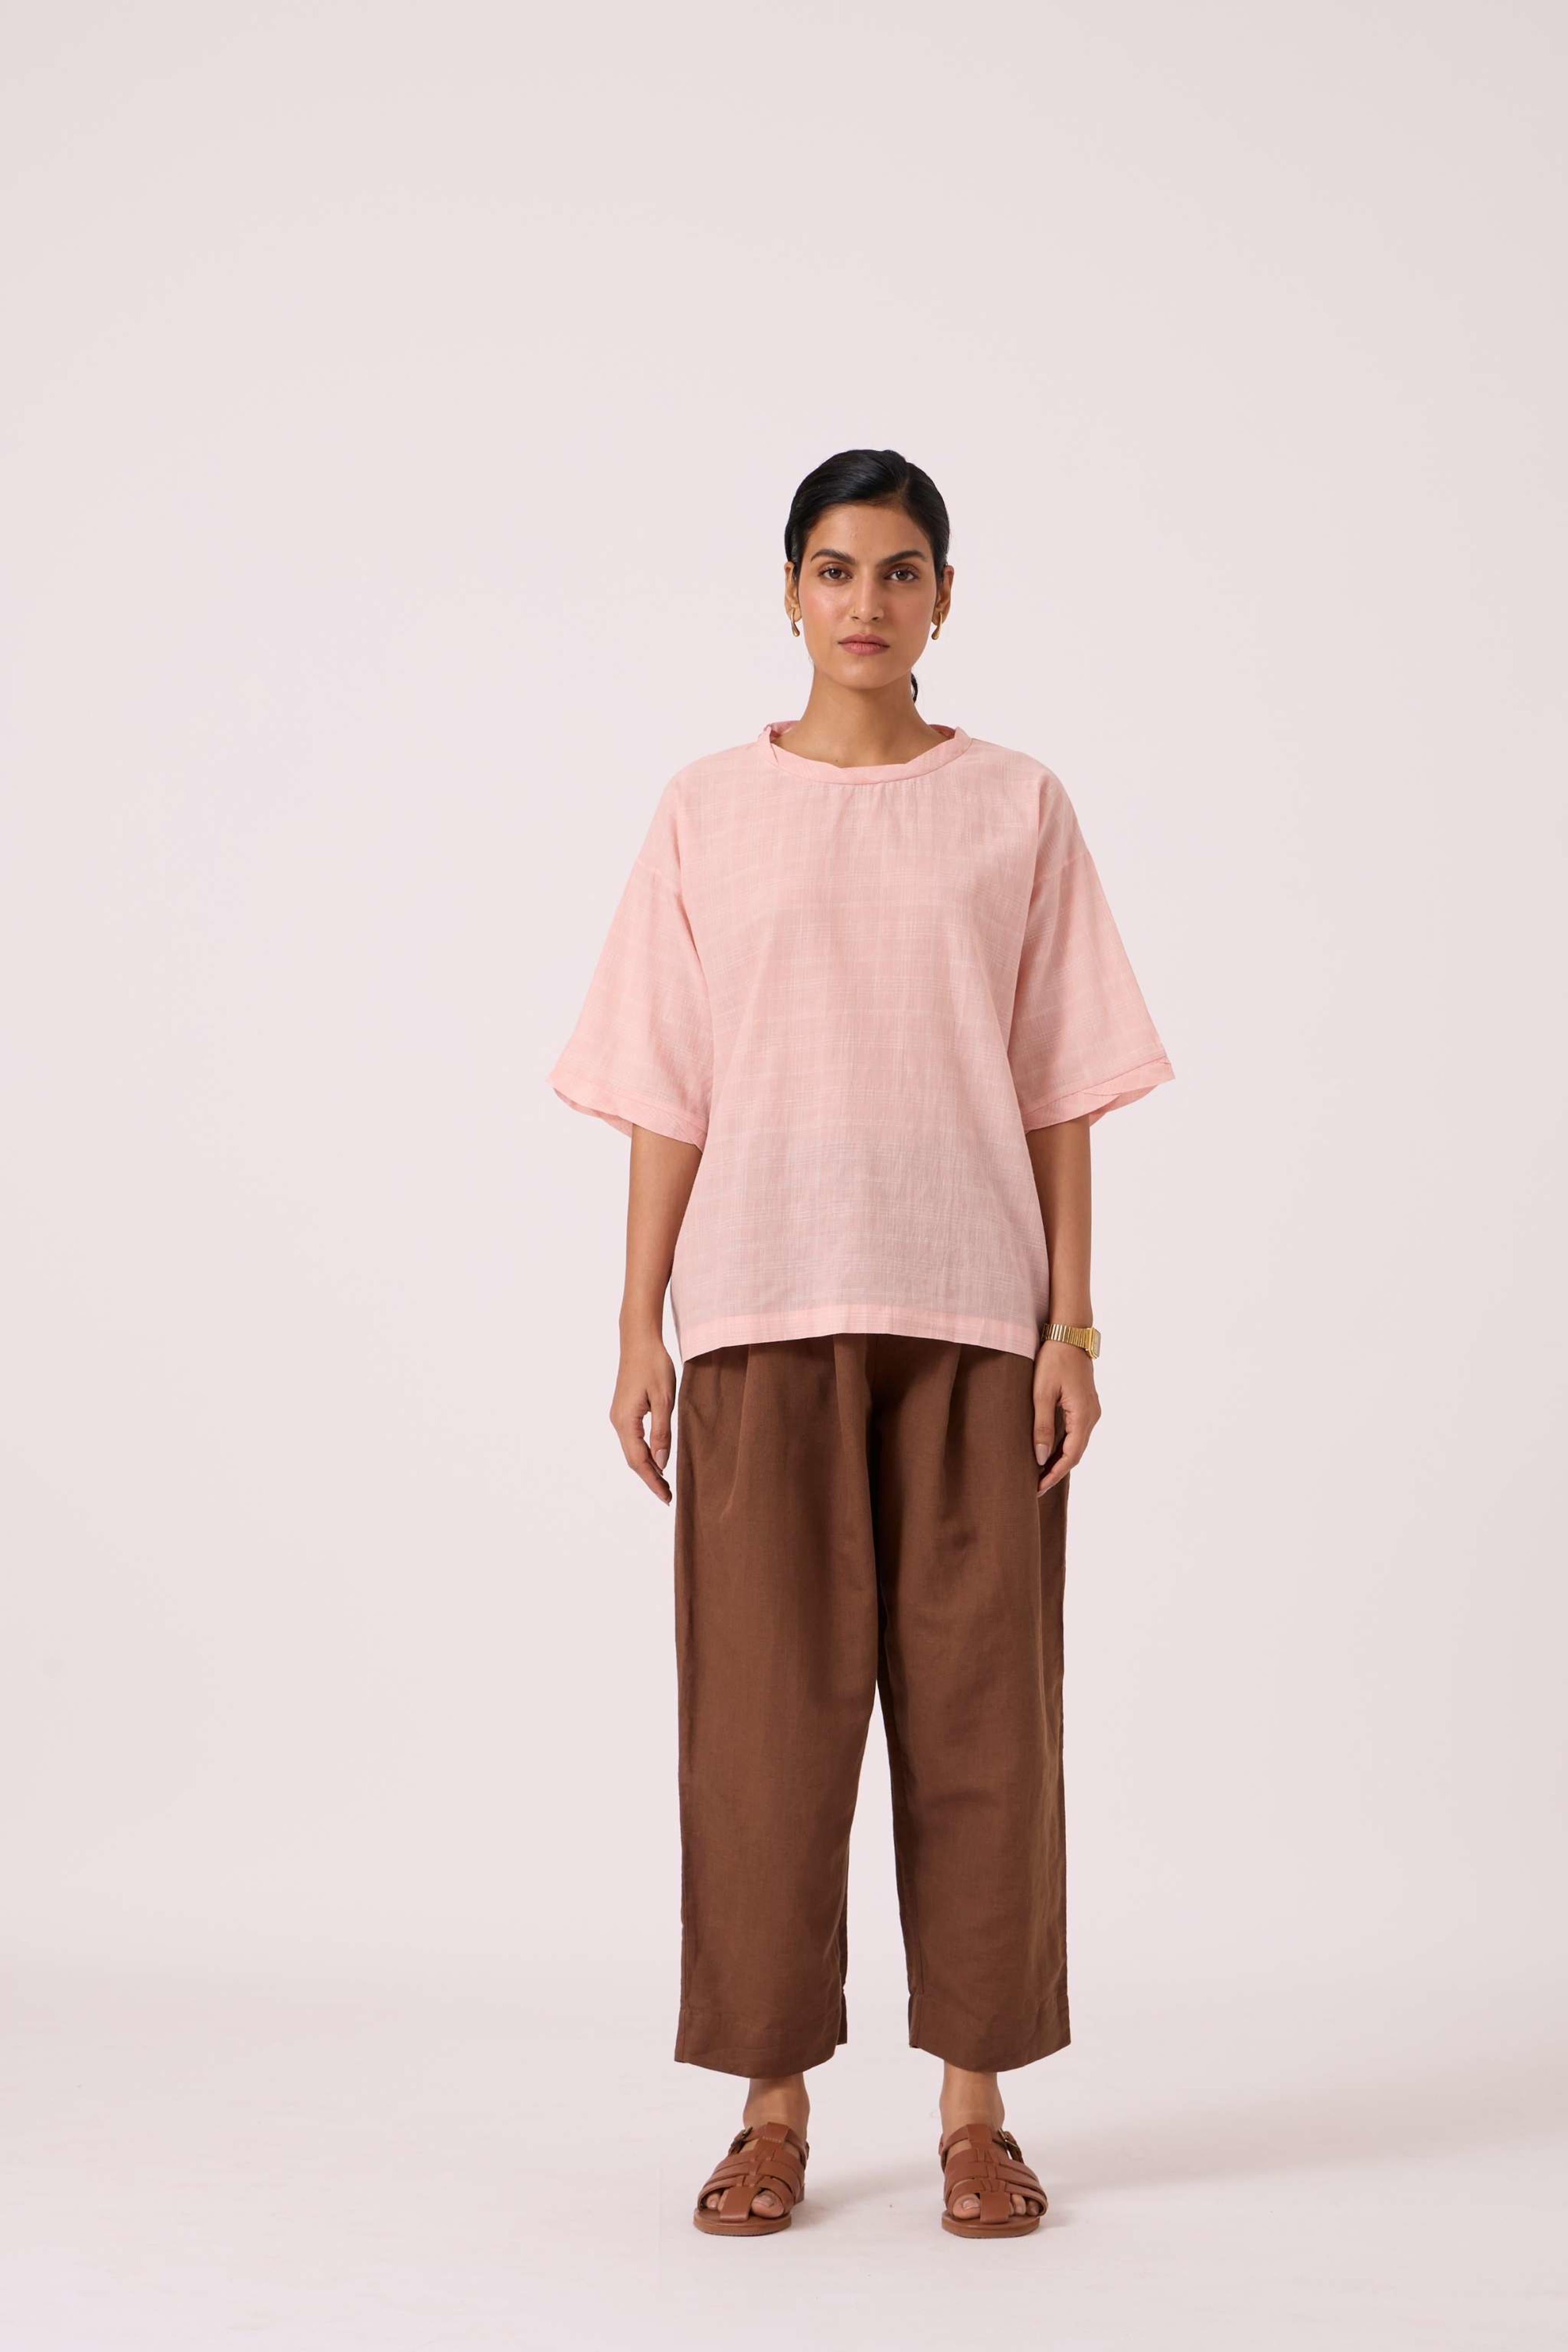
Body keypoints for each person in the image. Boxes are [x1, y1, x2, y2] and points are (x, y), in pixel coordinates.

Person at [547, 447, 1175, 2240]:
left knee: (986, 1727)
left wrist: (1069, 1321)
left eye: (900, 571)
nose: (865, 603)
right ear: (787, 590)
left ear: (944, 598)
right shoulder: (704, 811)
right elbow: (665, 1086)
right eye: (834, 569)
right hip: (756, 1309)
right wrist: (636, 1322)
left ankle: (977, 2109)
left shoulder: (1015, 806)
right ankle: (770, 2108)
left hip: (972, 1315)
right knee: (761, 1734)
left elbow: (1060, 1086)